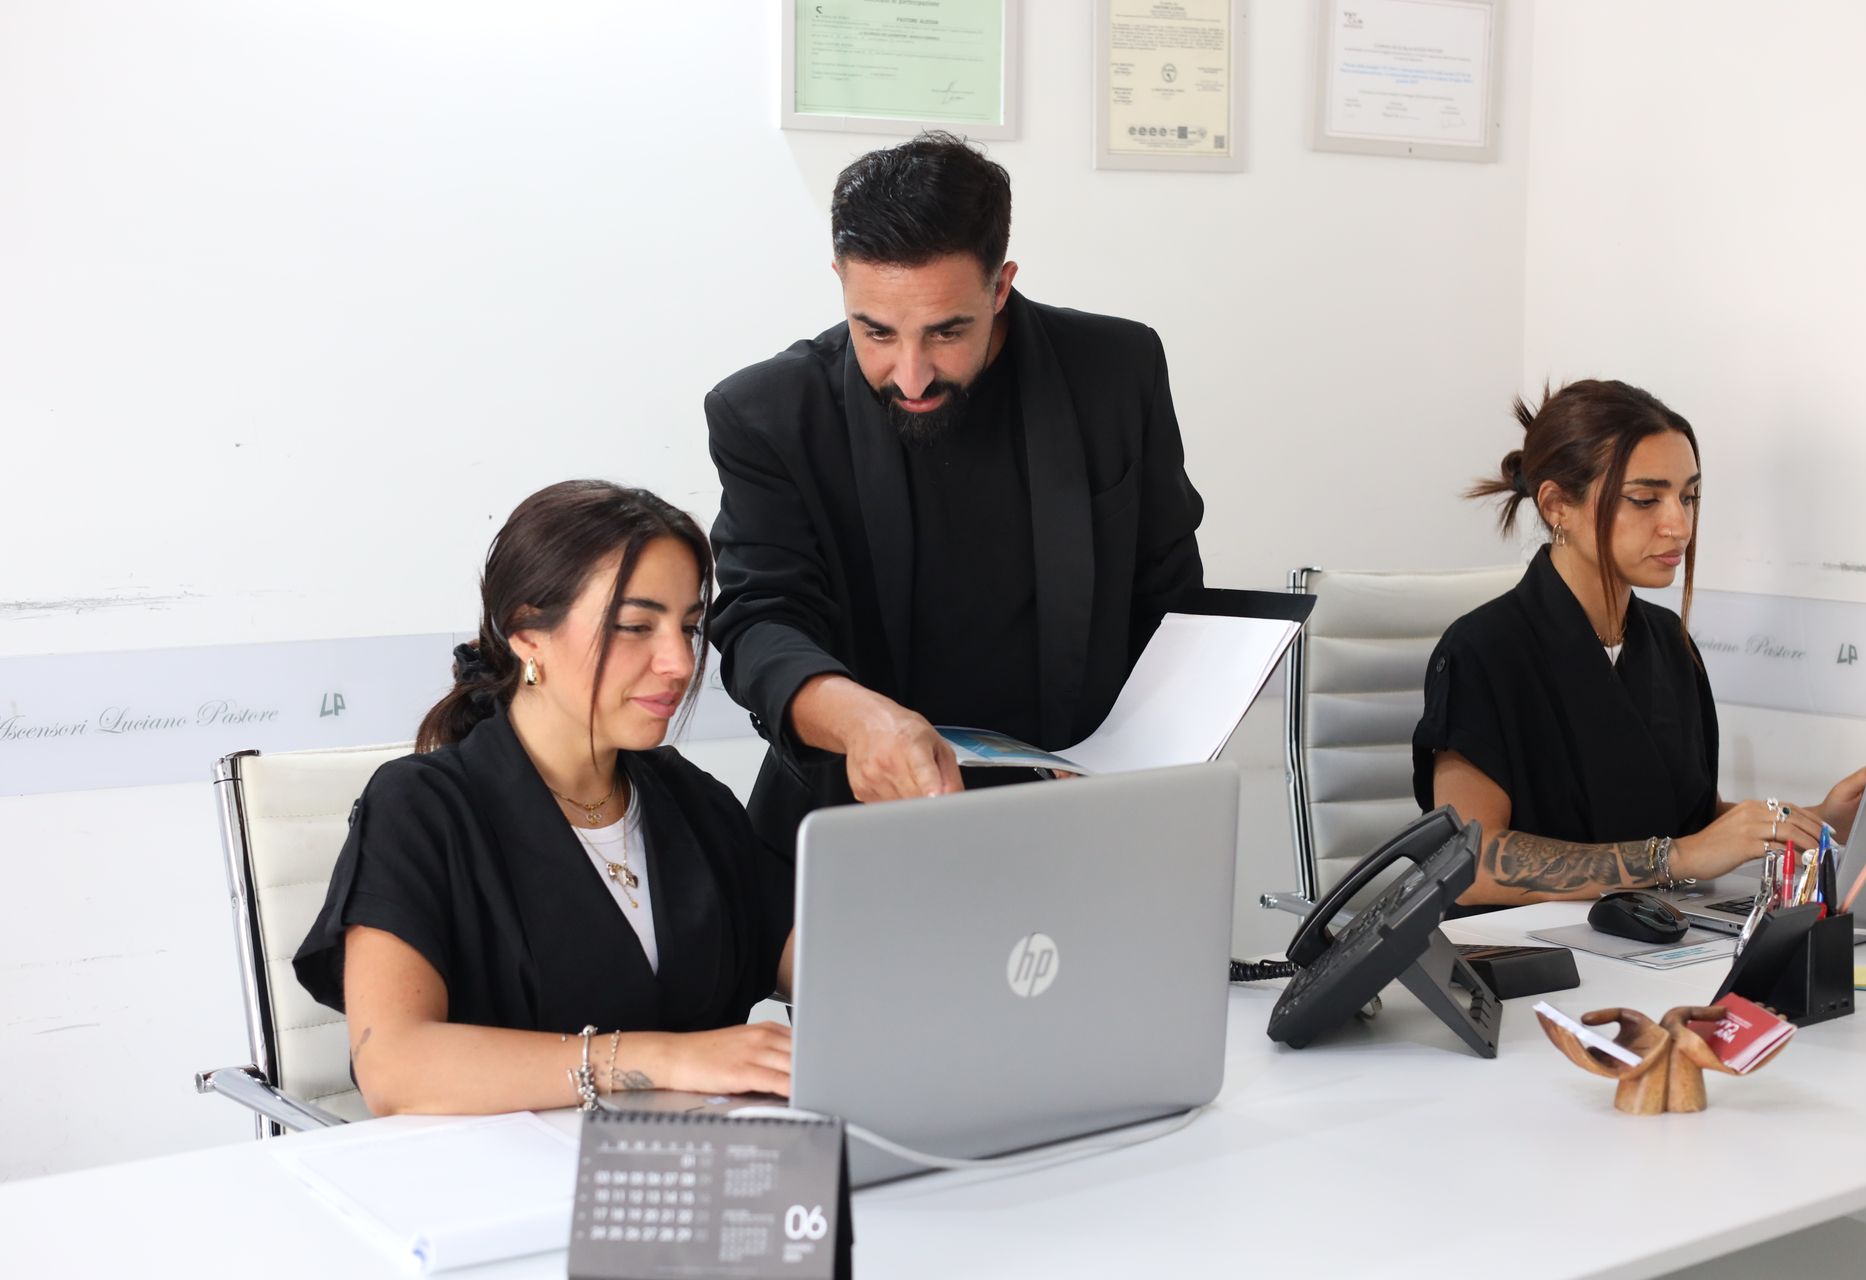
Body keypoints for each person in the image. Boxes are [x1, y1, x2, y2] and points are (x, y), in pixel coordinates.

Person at [705, 131, 1206, 854]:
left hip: (1079, 819)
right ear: (841, 279)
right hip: (855, 824)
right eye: (874, 332)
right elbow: (760, 621)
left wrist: (1139, 756)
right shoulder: (769, 414)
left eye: (946, 333)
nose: (910, 375)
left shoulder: (1115, 373)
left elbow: (1173, 602)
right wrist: (861, 722)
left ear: (999, 286)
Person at [293, 481, 794, 1115]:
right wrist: (666, 1057)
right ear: (527, 633)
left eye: (690, 628)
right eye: (636, 626)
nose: (678, 662)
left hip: (691, 1174)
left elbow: (824, 965)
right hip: (501, 1185)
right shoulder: (422, 808)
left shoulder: (693, 802)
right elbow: (394, 1067)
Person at [1412, 380, 1866, 906]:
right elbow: (1471, 862)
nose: (1679, 525)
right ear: (1558, 505)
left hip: (1656, 938)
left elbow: (1692, 821)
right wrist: (1676, 858)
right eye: (1646, 499)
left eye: (1689, 497)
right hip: (1528, 963)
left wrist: (1814, 824)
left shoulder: (1670, 646)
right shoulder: (1482, 651)